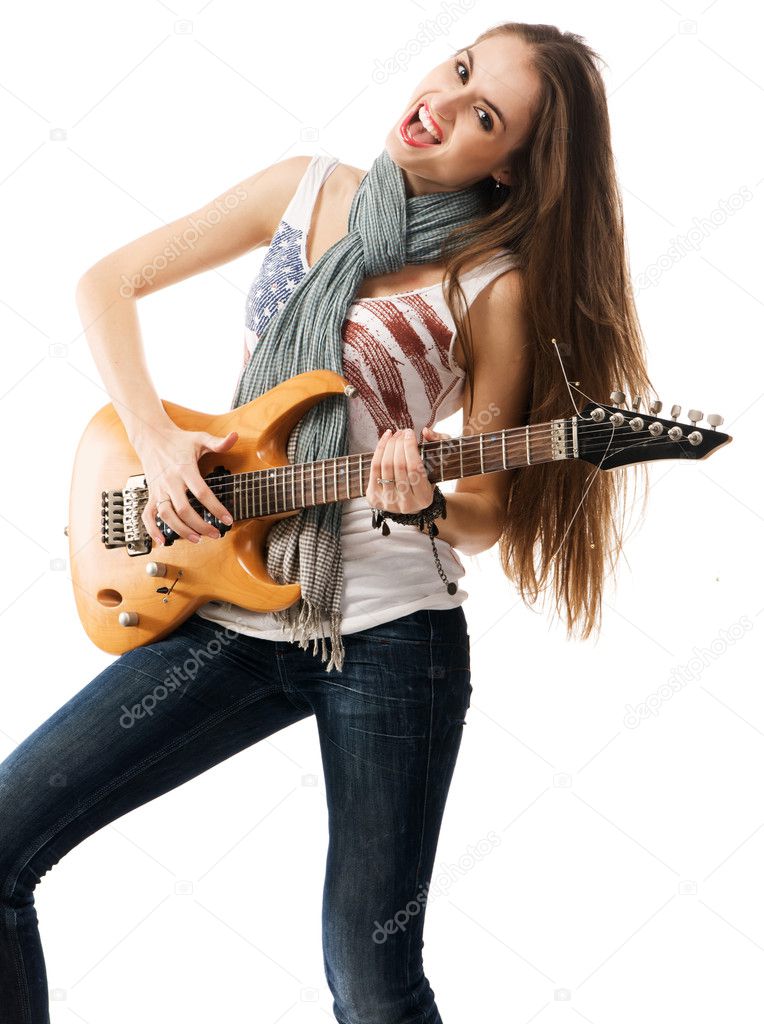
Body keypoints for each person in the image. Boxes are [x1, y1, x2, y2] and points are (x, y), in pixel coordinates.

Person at [0, 21, 652, 1024]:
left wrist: (423, 495)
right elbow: (108, 283)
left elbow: (484, 511)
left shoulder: (490, 287)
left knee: (370, 977)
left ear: (512, 169)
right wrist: (160, 439)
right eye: (461, 69)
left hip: (393, 640)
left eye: (484, 116)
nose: (444, 102)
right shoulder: (300, 189)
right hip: (234, 608)